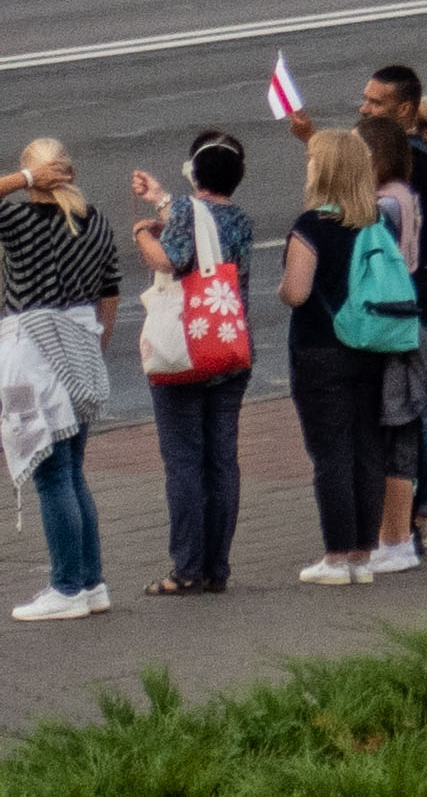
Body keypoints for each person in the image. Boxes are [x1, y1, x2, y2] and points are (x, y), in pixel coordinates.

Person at [122, 134, 252, 593]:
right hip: (229, 352)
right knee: (222, 461)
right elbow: (197, 225)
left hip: (183, 353)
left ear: (194, 174)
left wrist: (141, 231)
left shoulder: (183, 215)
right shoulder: (239, 219)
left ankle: (186, 569)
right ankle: (217, 567)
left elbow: (171, 258)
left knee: (182, 461)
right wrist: (160, 199)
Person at [0, 143, 120, 617]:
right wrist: (95, 345)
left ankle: (66, 587)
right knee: (72, 470)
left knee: (52, 474)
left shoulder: (19, 220)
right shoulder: (96, 221)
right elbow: (110, 291)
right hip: (81, 347)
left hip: (30, 351)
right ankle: (92, 583)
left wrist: (24, 178)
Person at [278, 127, 402, 585]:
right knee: (368, 448)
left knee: (330, 452)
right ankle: (362, 555)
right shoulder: (377, 222)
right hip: (372, 343)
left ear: (324, 170)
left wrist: (282, 288)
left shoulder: (311, 226)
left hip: (320, 349)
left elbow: (297, 291)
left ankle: (335, 555)